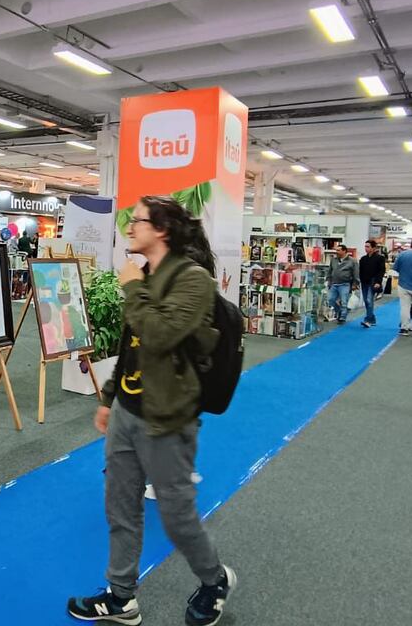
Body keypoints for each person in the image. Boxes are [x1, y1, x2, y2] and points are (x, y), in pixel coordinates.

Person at [69, 195, 235, 626]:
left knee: (177, 518)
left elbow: (159, 333)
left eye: (137, 221)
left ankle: (214, 579)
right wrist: (109, 399)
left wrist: (130, 286)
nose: (129, 227)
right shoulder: (145, 275)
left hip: (167, 418)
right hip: (127, 410)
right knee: (120, 507)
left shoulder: (193, 280)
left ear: (161, 230)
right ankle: (121, 595)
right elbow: (133, 348)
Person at [325, 245, 359, 324]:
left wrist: (355, 283)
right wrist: (328, 280)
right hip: (334, 283)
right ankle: (340, 311)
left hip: (345, 284)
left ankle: (342, 317)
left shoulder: (352, 261)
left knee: (344, 301)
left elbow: (356, 273)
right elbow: (330, 271)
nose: (336, 252)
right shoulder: (333, 260)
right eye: (336, 250)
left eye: (338, 250)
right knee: (331, 300)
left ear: (344, 251)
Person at [358, 240, 386, 328]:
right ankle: (372, 318)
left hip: (373, 281)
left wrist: (378, 282)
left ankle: (368, 320)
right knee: (366, 301)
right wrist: (359, 281)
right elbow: (360, 271)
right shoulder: (363, 259)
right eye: (365, 246)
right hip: (364, 282)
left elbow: (381, 271)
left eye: (368, 247)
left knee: (369, 300)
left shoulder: (380, 258)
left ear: (373, 248)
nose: (366, 248)